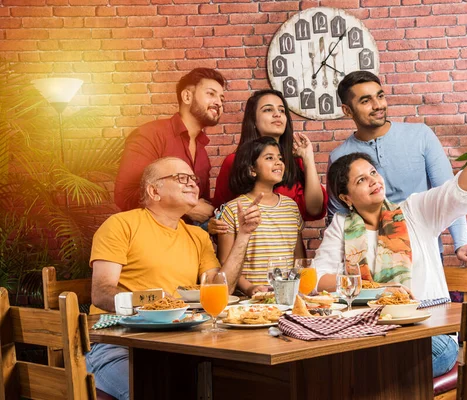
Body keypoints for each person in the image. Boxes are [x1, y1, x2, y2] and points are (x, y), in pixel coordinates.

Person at [313, 93, 467, 378]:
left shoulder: (414, 210)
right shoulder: (341, 227)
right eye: (361, 180)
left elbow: (457, 191)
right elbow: (318, 279)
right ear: (346, 197)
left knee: (362, 369)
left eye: (372, 173)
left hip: (432, 334)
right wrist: (377, 291)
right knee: (345, 364)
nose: (373, 181)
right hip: (372, 332)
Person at [87, 156, 261, 400]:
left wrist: (243, 234)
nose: (192, 184)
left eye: (193, 179)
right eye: (181, 178)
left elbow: (220, 289)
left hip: (182, 345)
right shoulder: (121, 225)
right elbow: (102, 292)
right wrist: (156, 305)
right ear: (153, 191)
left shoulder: (197, 236)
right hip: (120, 345)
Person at [329, 71, 467, 265]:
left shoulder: (420, 135)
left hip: (425, 253)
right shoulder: (338, 157)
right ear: (347, 110)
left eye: (380, 96)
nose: (378, 105)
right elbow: (338, 214)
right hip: (371, 260)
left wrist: (461, 242)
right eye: (366, 101)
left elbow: (450, 193)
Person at [114, 67, 226, 225]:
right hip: (153, 242)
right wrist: (187, 207)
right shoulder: (150, 135)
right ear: (187, 96)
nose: (218, 103)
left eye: (222, 98)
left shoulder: (202, 152)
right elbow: (125, 195)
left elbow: (201, 206)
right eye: (211, 94)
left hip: (189, 242)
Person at [210, 89, 327, 234]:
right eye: (268, 109)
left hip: (288, 249)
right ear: (253, 121)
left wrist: (308, 158)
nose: (277, 114)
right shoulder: (234, 161)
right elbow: (220, 216)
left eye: (282, 110)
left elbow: (315, 209)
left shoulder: (296, 161)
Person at [217, 136, 305, 296]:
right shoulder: (233, 209)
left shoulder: (291, 207)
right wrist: (249, 288)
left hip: (286, 297)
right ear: (252, 169)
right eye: (269, 158)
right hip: (248, 300)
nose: (279, 162)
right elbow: (224, 261)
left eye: (280, 158)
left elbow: (298, 257)